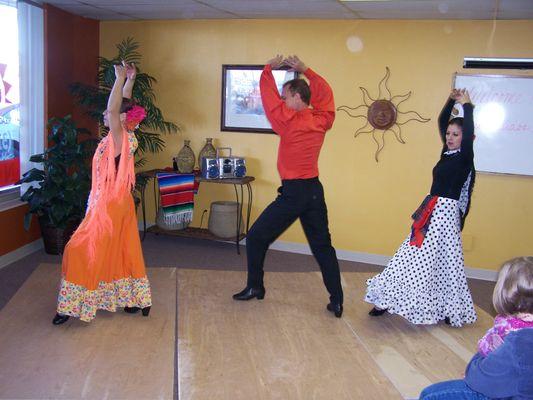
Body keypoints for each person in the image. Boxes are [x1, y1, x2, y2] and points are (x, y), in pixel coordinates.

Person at [232, 55, 344, 318]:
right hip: (314, 192)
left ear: (296, 96)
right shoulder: (322, 119)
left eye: (286, 96)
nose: (282, 100)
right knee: (323, 247)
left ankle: (255, 287)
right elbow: (326, 94)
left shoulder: (289, 120)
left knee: (257, 237)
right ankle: (337, 300)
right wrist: (306, 70)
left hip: (294, 193)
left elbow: (269, 100)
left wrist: (268, 69)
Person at [365, 89, 477, 327]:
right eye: (448, 134)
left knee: (444, 264)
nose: (450, 137)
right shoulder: (446, 154)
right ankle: (385, 300)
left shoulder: (465, 157)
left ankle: (447, 309)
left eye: (456, 134)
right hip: (431, 210)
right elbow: (440, 120)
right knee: (410, 255)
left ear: (466, 137)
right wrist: (451, 100)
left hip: (446, 216)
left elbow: (467, 135)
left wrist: (468, 107)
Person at [52, 62, 152, 324]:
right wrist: (130, 80)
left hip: (108, 206)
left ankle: (70, 305)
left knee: (77, 248)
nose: (105, 116)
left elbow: (114, 107)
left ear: (120, 118)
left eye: (110, 115)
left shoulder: (120, 137)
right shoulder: (125, 135)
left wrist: (118, 79)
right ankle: (134, 299)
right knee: (121, 249)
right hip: (119, 203)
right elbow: (123, 105)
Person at [419, 256, 533, 400]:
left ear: (507, 294)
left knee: (429, 395)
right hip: (515, 386)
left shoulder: (517, 339)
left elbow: (482, 380)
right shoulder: (515, 330)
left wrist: (472, 370)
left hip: (506, 393)